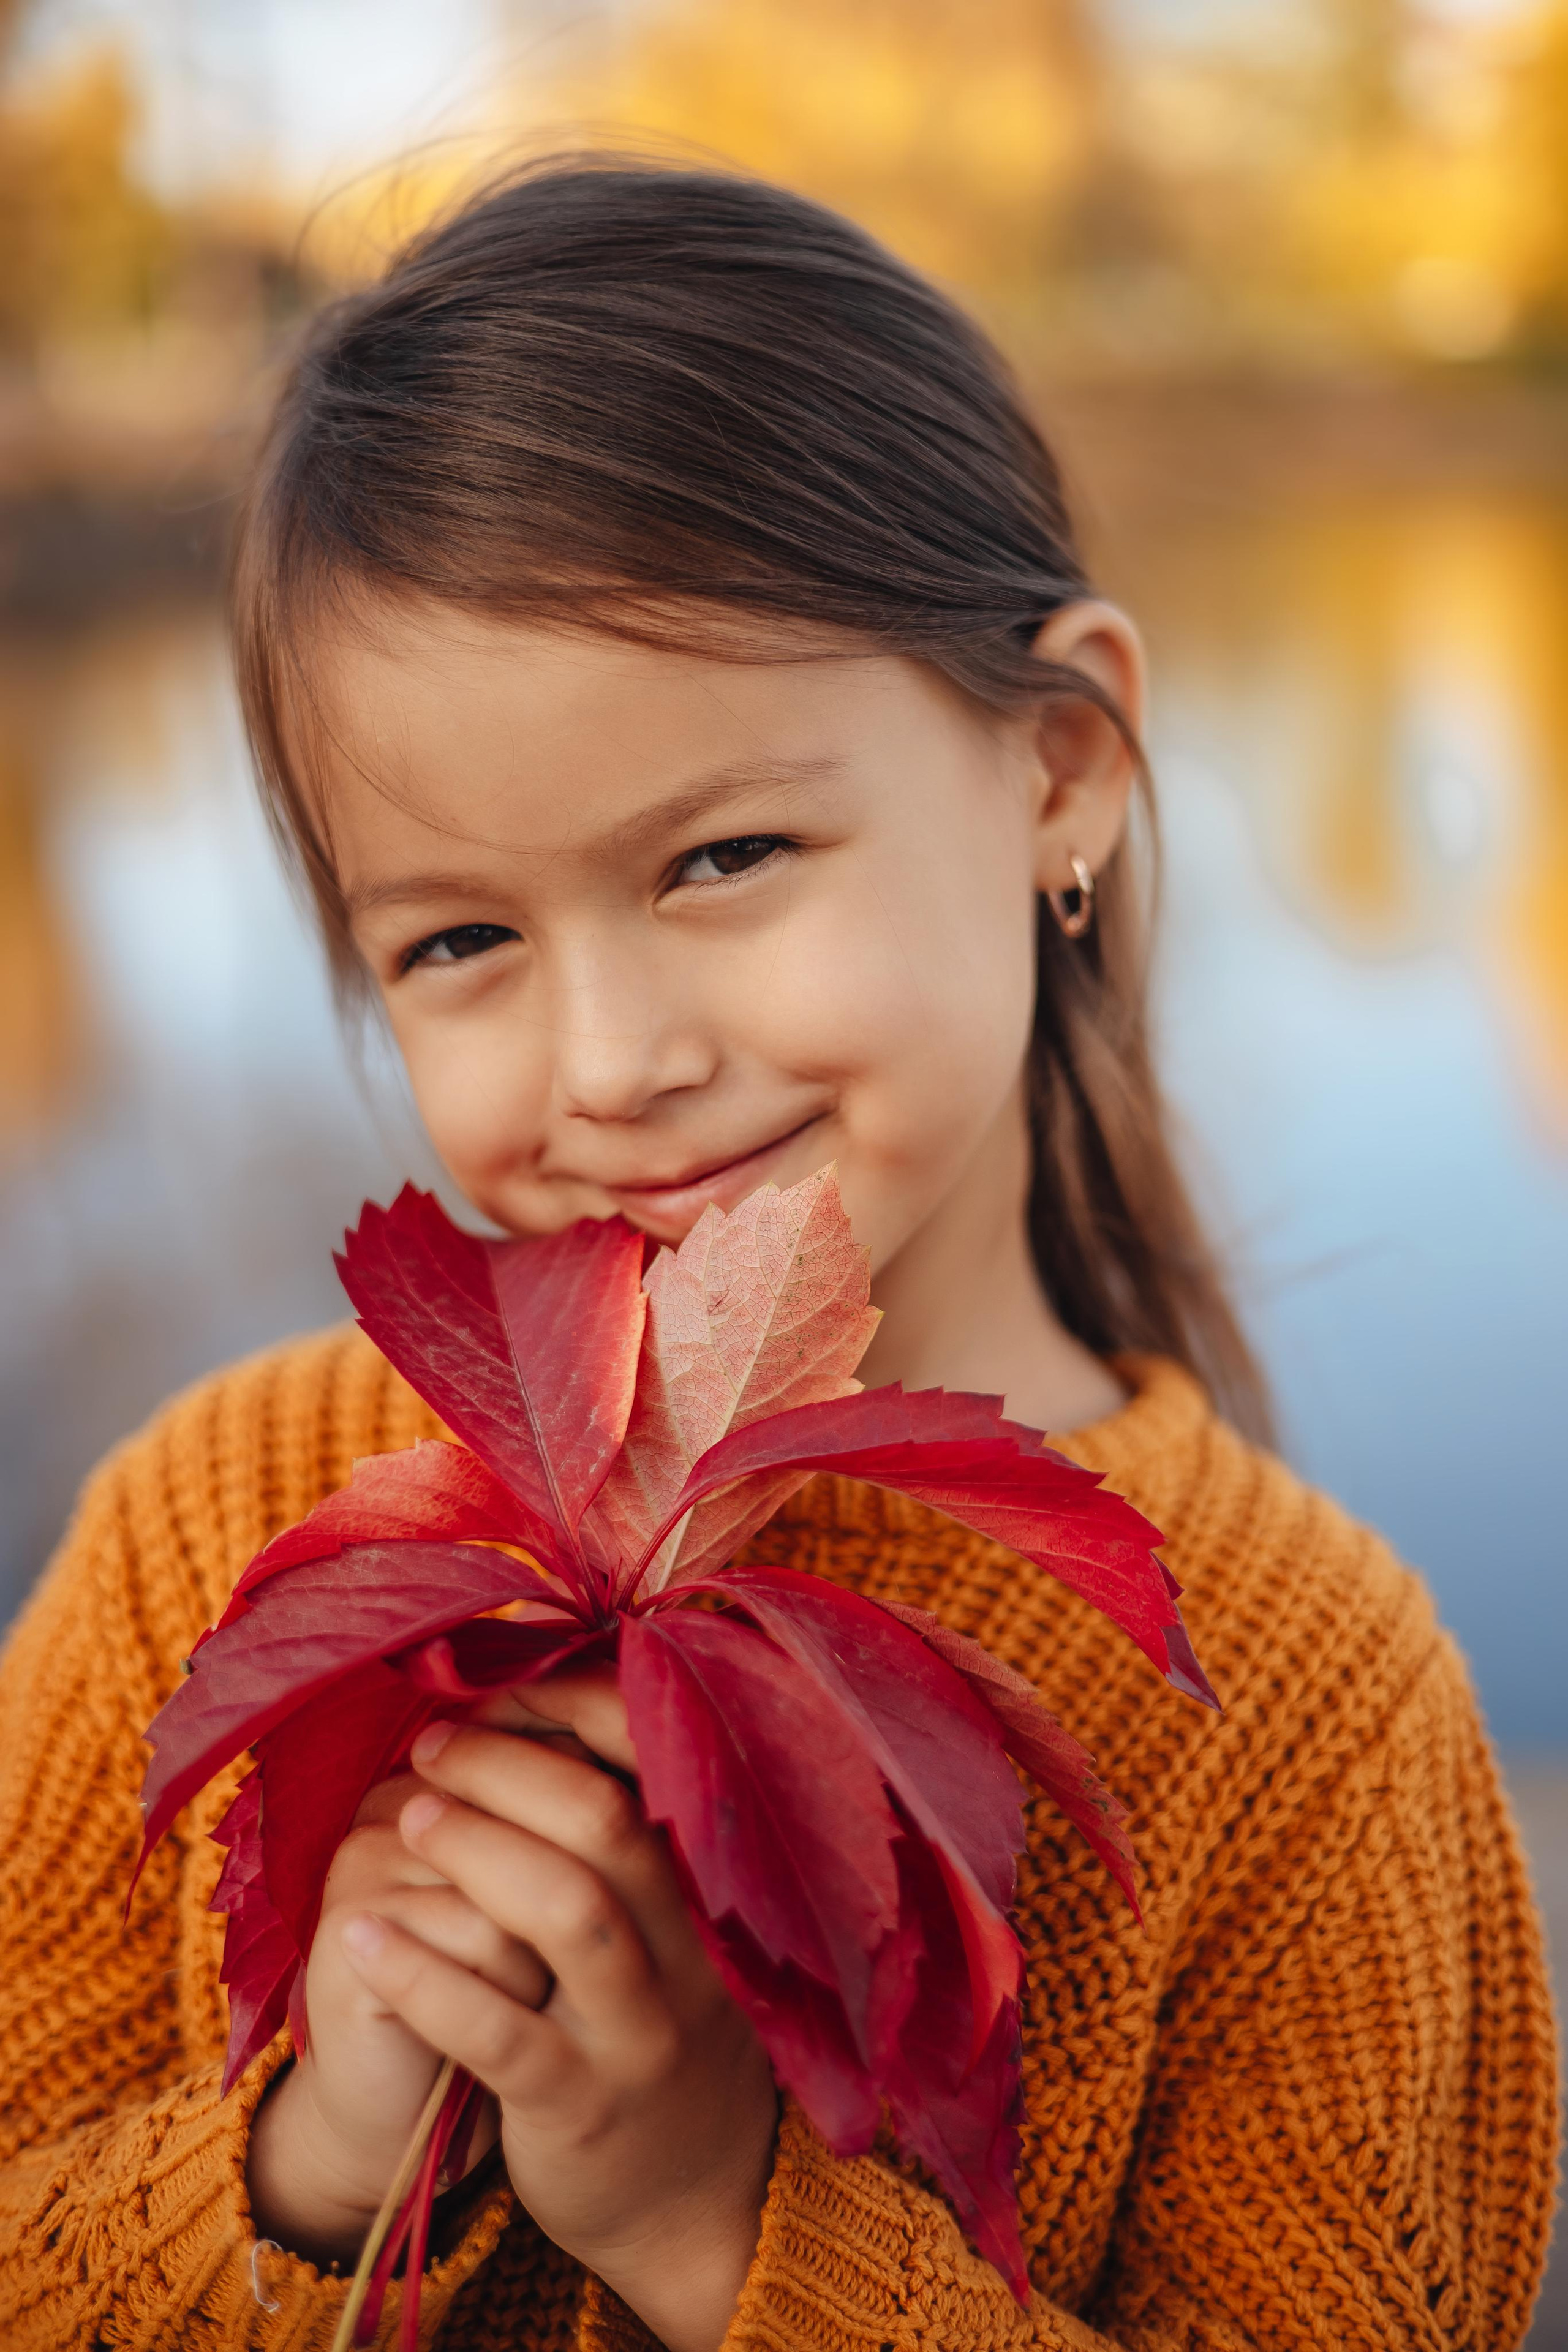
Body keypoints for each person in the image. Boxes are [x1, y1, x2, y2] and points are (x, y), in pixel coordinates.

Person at [0, 159, 1556, 2352]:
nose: (617, 1063)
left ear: (1062, 771)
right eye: (460, 940)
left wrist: (731, 2231)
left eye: (724, 855)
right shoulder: (208, 1542)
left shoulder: (1313, 1724)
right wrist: (311, 2170)